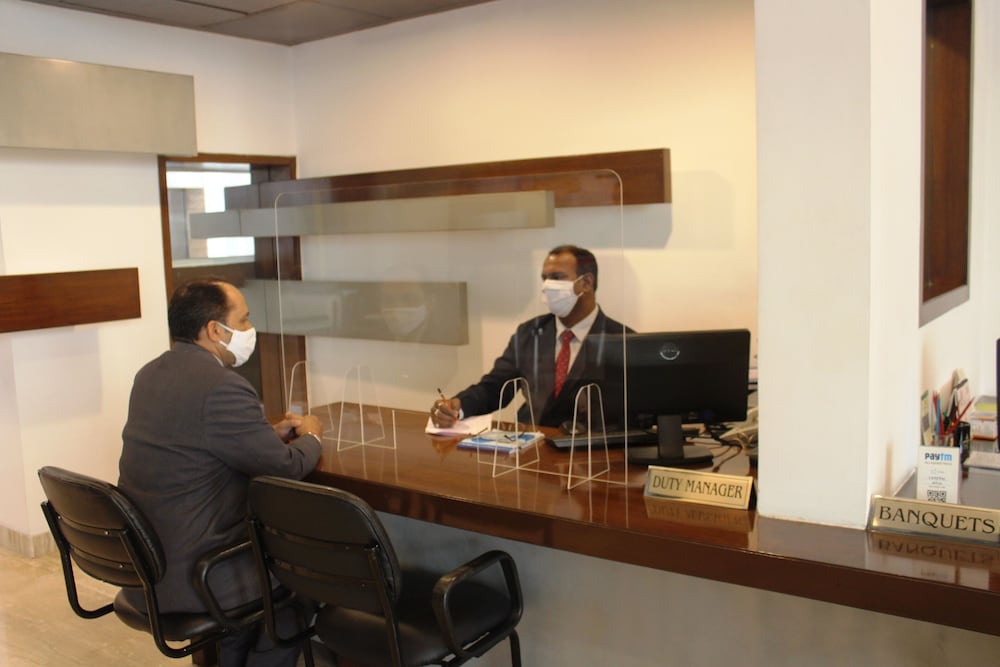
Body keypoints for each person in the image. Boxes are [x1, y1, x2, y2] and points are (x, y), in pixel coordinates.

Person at [117, 278, 324, 667]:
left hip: (146, 567)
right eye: (243, 320)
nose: (250, 330)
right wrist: (312, 434)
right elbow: (287, 467)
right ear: (214, 330)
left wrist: (263, 435)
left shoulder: (149, 374)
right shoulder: (221, 387)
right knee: (305, 579)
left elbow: (194, 443)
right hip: (198, 575)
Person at [431, 245, 632, 430]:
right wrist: (458, 406)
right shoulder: (529, 333)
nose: (546, 286)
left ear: (586, 282)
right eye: (544, 278)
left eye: (556, 277)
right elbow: (495, 387)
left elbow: (633, 413)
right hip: (533, 446)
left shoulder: (625, 342)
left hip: (592, 450)